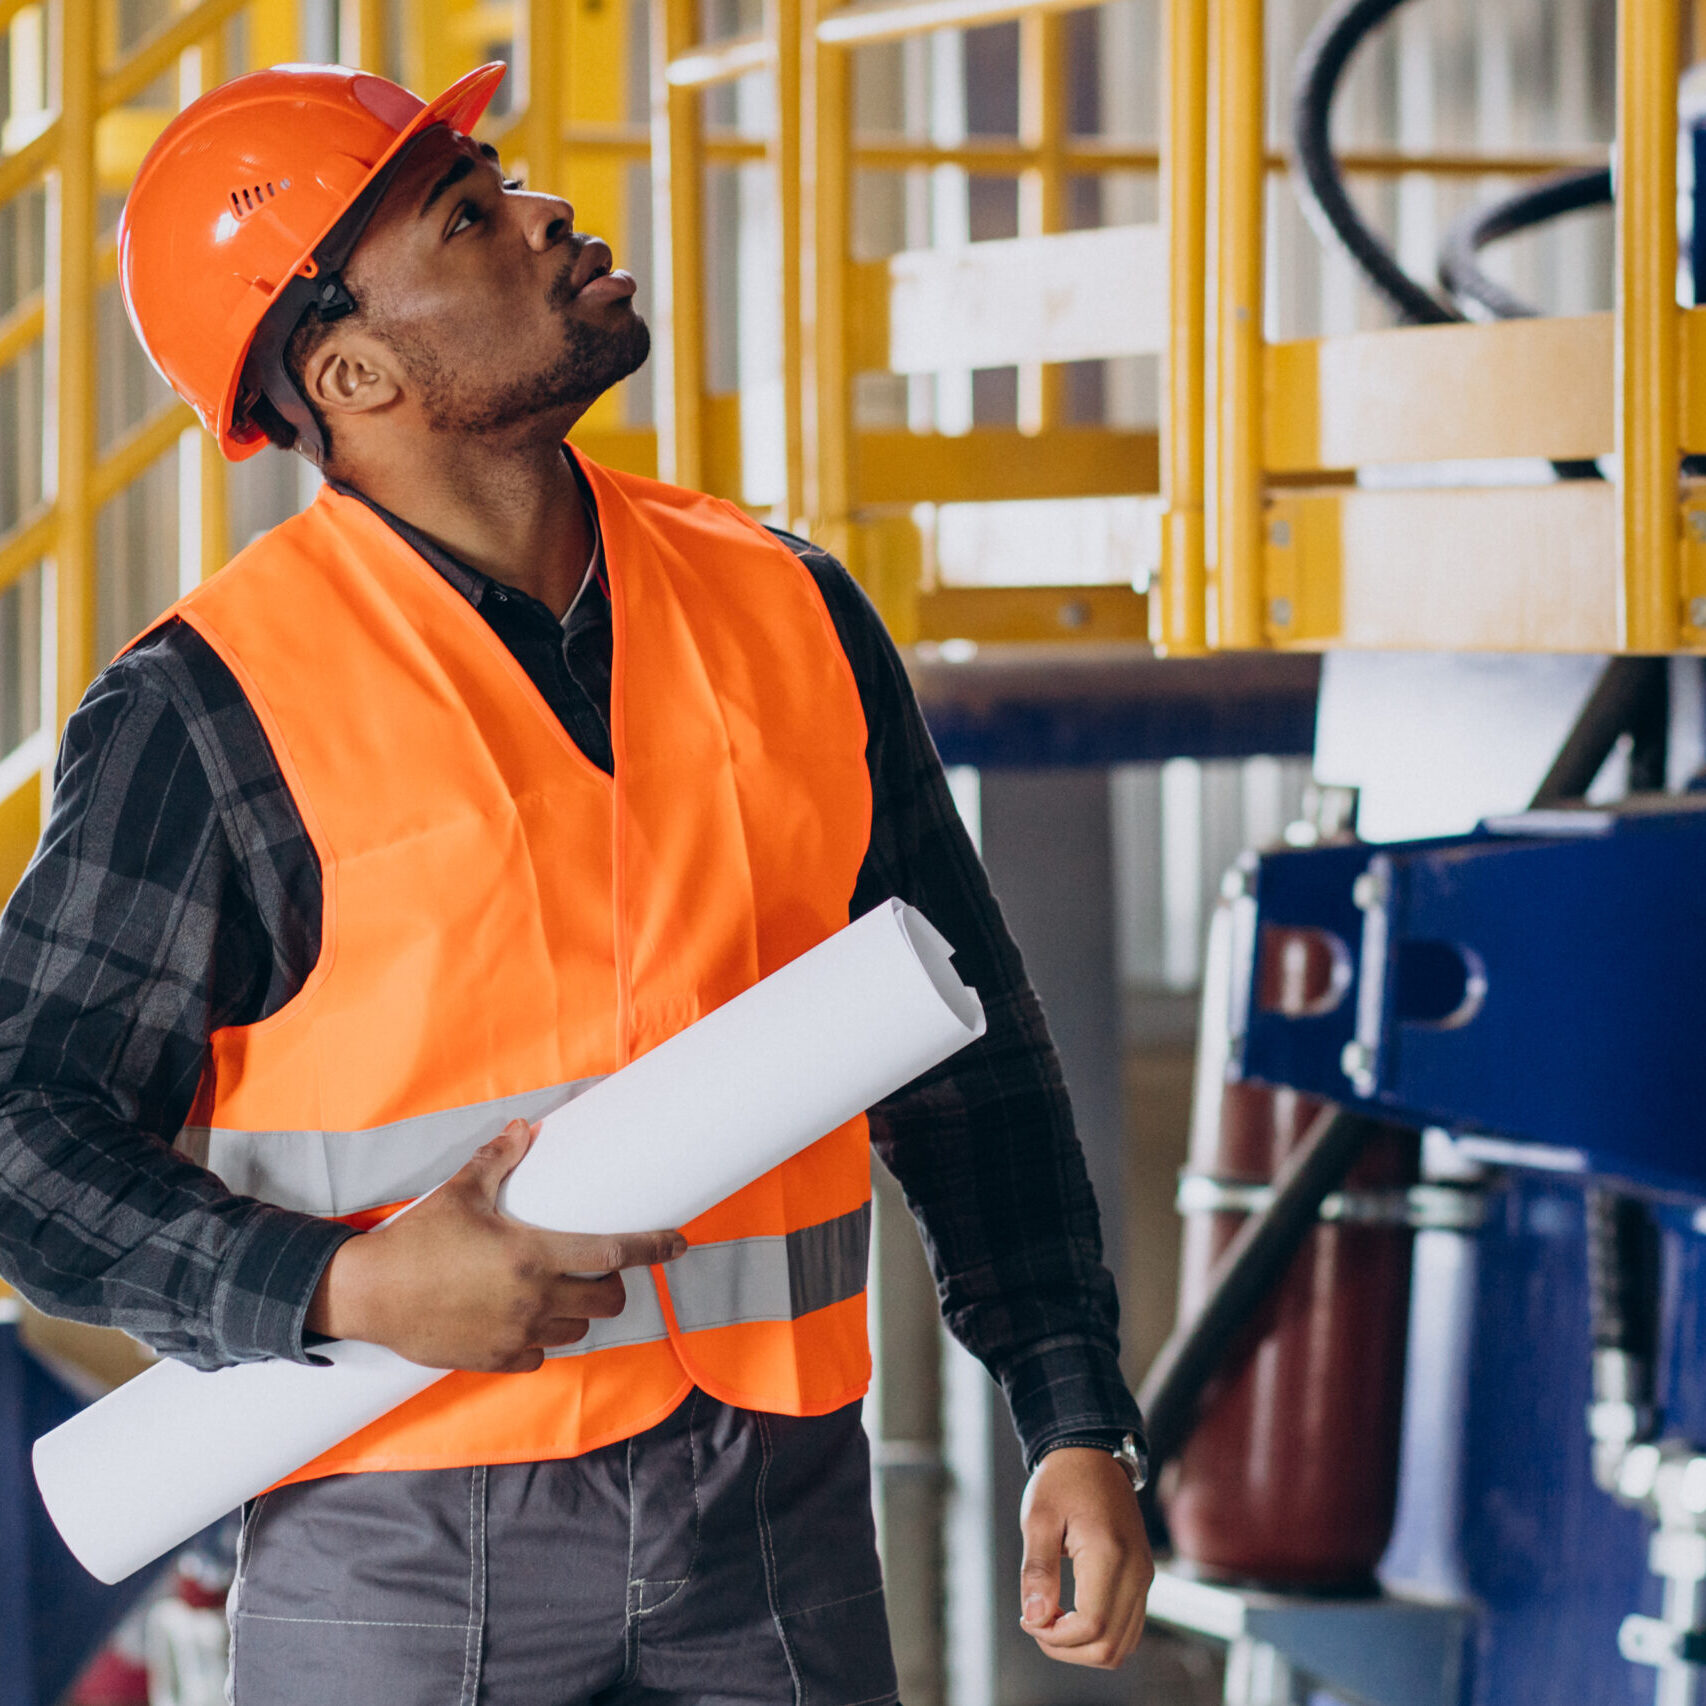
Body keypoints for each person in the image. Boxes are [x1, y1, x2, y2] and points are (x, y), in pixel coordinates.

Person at [0, 60, 1151, 1704]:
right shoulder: (210, 705)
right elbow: (22, 1137)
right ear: (350, 367)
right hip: (396, 1535)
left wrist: (1073, 1407)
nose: (544, 214)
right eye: (466, 218)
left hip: (775, 1525)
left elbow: (970, 1054)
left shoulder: (792, 611)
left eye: (505, 181)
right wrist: (344, 1283)